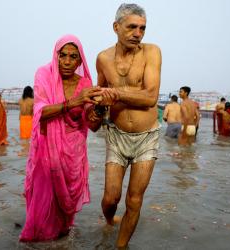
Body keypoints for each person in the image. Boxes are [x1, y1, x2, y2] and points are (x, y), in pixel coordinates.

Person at [20, 35, 102, 241]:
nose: (67, 61)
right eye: (62, 55)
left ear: (80, 61)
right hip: (46, 150)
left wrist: (99, 110)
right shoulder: (44, 74)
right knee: (43, 199)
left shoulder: (85, 83)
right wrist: (75, 102)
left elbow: (92, 126)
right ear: (55, 56)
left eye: (73, 57)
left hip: (73, 153)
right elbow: (40, 112)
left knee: (65, 207)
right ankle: (38, 239)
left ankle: (60, 239)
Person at [95, 4, 162, 248]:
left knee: (134, 200)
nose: (138, 33)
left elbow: (150, 97)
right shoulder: (103, 58)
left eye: (142, 28)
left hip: (147, 136)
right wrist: (98, 106)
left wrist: (115, 94)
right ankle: (109, 222)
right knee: (111, 197)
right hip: (116, 134)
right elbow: (99, 96)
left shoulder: (152, 52)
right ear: (116, 27)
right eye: (132, 27)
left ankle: (120, 246)